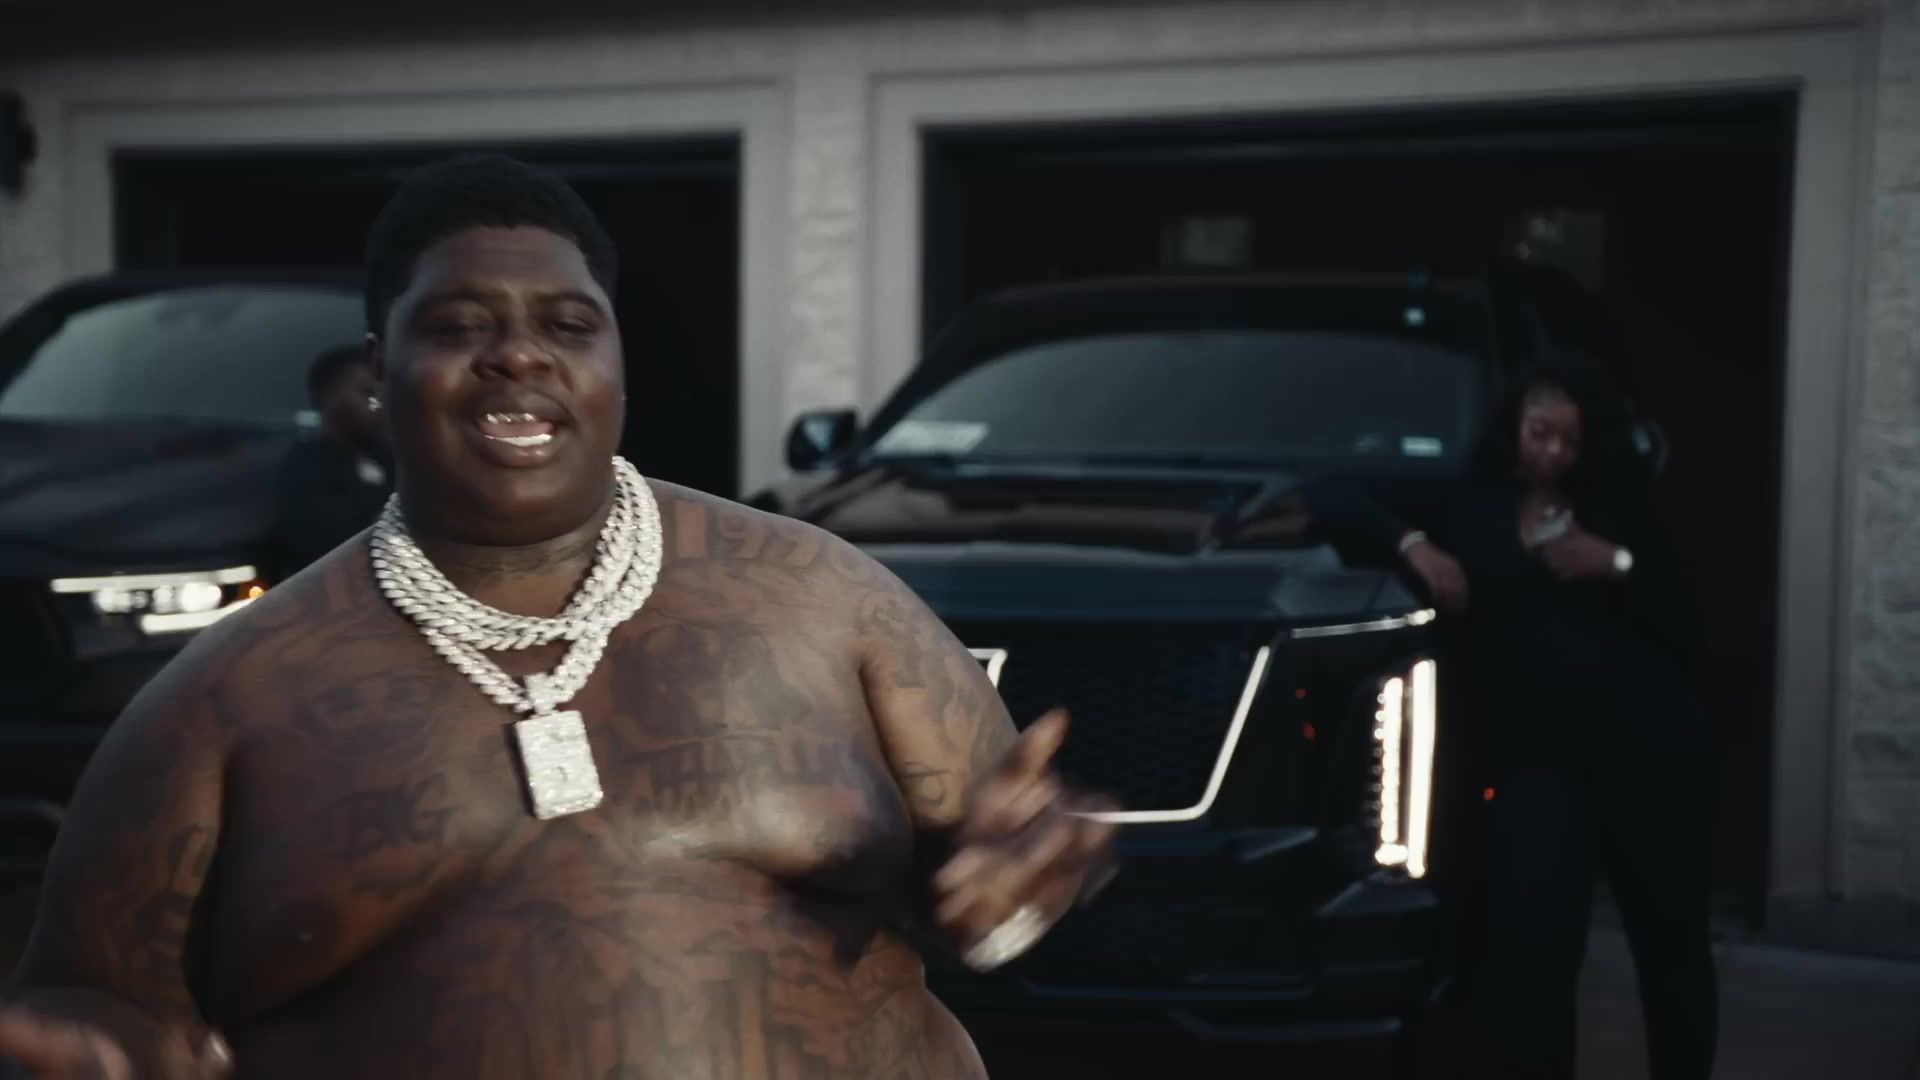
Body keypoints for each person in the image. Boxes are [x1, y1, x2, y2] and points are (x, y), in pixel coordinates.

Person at [0, 154, 1117, 1079]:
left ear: (616, 362)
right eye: (459, 324)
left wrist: (1030, 876)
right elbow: (92, 1001)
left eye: (568, 324)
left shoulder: (823, 598)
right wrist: (97, 1050)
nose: (519, 353)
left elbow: (1019, 855)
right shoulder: (224, 700)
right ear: (379, 372)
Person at [1306, 370, 1716, 1078]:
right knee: (1534, 948)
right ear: (1514, 428)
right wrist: (1415, 545)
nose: (1553, 451)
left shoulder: (1623, 506)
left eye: (1570, 440)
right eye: (1540, 433)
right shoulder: (1475, 503)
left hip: (1646, 758)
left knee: (1668, 943)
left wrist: (1614, 562)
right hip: (1540, 758)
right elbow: (1331, 494)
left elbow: (1690, 615)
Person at [268, 344, 392, 580]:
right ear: (329, 398)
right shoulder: (306, 473)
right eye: (366, 393)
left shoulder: (389, 459)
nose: (377, 404)